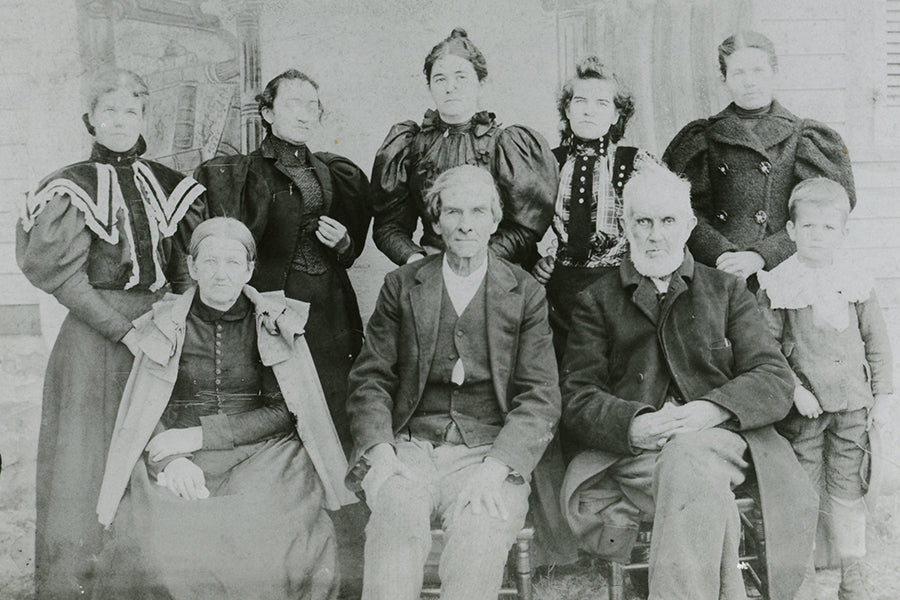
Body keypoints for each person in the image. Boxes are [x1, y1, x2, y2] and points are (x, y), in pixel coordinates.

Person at [559, 162, 818, 600]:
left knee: (687, 460)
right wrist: (633, 423)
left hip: (721, 441)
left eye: (667, 221)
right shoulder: (596, 301)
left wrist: (711, 409)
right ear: (626, 225)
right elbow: (578, 397)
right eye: (643, 221)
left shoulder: (728, 291)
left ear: (690, 225)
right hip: (640, 454)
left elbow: (773, 377)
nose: (655, 235)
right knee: (694, 481)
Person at [91, 217, 356, 599]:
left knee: (264, 538)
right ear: (193, 267)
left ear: (249, 269)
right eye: (210, 262)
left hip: (265, 453)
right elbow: (142, 404)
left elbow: (286, 412)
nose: (221, 274)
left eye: (233, 263)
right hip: (179, 453)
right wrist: (172, 460)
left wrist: (201, 434)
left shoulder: (270, 322)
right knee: (158, 541)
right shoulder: (165, 323)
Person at [16, 69, 206, 600]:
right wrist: (124, 331)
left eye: (132, 111)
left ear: (147, 120)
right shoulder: (69, 185)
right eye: (110, 111)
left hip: (160, 336)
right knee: (86, 460)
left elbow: (189, 268)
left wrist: (171, 319)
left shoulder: (172, 185)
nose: (120, 121)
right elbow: (61, 276)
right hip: (94, 342)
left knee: (155, 451)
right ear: (91, 120)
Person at [346, 165, 561, 600]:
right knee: (394, 515)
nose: (466, 224)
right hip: (411, 447)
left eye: (478, 211)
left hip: (488, 453)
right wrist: (383, 454)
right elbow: (370, 378)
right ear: (436, 220)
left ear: (495, 220)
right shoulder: (402, 286)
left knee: (480, 531)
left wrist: (497, 467)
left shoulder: (524, 292)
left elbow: (540, 397)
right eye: (454, 212)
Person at [194, 69, 370, 449]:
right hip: (277, 306)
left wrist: (342, 244)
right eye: (293, 104)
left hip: (332, 306)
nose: (306, 114)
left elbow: (351, 254)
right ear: (268, 113)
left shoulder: (331, 170)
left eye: (313, 106)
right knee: (287, 403)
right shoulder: (241, 174)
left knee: (338, 398)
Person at [756, 178, 893, 600]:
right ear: (792, 231)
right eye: (809, 227)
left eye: (828, 228)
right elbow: (767, 350)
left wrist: (885, 396)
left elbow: (877, 341)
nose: (818, 236)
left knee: (848, 489)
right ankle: (808, 576)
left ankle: (852, 573)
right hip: (805, 411)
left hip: (852, 405)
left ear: (843, 233)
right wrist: (796, 391)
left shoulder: (855, 281)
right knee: (806, 491)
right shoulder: (778, 285)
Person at [663, 31, 856, 287]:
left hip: (785, 270)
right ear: (724, 78)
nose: (749, 82)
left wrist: (761, 256)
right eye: (738, 73)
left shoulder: (805, 138)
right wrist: (721, 253)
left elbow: (823, 215)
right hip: (719, 270)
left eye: (758, 71)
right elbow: (685, 211)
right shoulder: (702, 136)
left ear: (774, 72)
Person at [370, 27, 558, 270]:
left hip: (498, 267)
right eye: (440, 79)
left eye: (461, 77)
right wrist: (417, 260)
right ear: (429, 86)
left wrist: (475, 264)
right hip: (431, 267)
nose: (451, 87)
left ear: (481, 83)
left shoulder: (509, 145)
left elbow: (524, 228)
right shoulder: (410, 144)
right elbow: (389, 226)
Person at [532, 56, 650, 361]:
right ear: (568, 109)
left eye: (601, 103)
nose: (588, 109)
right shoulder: (548, 162)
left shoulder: (635, 162)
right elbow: (522, 222)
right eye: (580, 100)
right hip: (561, 287)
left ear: (615, 115)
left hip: (619, 284)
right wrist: (536, 261)